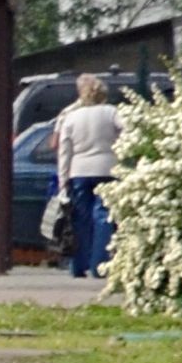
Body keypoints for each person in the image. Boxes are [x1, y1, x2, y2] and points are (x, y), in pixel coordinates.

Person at [59, 71, 128, 278]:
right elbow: (128, 128)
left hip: (78, 171)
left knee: (80, 218)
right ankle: (100, 265)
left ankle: (78, 266)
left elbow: (64, 151)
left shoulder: (71, 117)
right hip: (107, 168)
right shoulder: (111, 112)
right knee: (103, 216)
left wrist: (63, 180)